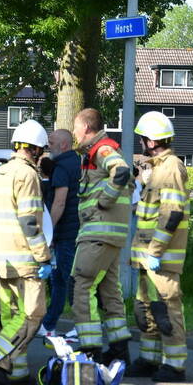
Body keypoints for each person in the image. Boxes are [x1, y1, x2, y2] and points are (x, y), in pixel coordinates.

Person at [0, 119, 53, 385]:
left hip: (3, 257)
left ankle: (16, 372)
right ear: (34, 150)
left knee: (11, 314)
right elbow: (30, 221)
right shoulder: (27, 175)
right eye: (41, 150)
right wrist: (43, 257)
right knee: (33, 313)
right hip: (26, 259)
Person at [128, 111, 191, 382]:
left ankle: (174, 365)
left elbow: (172, 213)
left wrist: (154, 252)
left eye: (143, 138)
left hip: (161, 259)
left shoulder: (171, 167)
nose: (141, 143)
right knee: (146, 310)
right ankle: (149, 359)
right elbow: (150, 211)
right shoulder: (155, 170)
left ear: (152, 141)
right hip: (147, 258)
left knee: (167, 309)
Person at [68, 109, 134, 363]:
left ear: (85, 127)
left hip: (98, 232)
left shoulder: (102, 149)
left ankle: (90, 349)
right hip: (109, 236)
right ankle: (119, 350)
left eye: (75, 128)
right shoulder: (93, 152)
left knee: (80, 286)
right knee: (109, 292)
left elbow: (121, 171)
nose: (74, 133)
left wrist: (104, 201)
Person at [39, 129, 81, 338]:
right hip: (74, 230)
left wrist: (49, 231)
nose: (49, 145)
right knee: (60, 279)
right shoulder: (76, 162)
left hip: (65, 233)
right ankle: (49, 323)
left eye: (52, 142)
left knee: (67, 279)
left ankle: (80, 325)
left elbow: (59, 201)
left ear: (64, 145)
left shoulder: (62, 167)